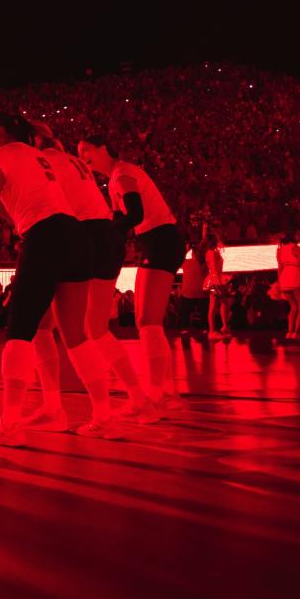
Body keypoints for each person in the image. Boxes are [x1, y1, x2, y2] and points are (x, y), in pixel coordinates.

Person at [0, 112, 106, 449]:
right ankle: (105, 415)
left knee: (20, 329)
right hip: (76, 234)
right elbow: (15, 205)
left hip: (46, 234)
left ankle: (10, 422)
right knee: (76, 334)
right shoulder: (37, 155)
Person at [26, 121, 147, 437]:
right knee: (94, 328)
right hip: (106, 234)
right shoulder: (74, 161)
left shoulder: (41, 161)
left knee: (47, 326)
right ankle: (137, 397)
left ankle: (59, 408)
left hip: (80, 234)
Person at [79, 137, 188, 419]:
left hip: (160, 240)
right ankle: (167, 391)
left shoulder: (123, 173)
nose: (83, 157)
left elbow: (135, 212)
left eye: (86, 150)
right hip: (157, 241)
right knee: (148, 322)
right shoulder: (118, 176)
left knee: (147, 321)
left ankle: (155, 394)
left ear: (104, 148)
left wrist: (111, 235)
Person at [276, 233, 300, 342]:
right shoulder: (299, 249)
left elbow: (279, 268)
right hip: (296, 277)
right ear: (294, 237)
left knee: (293, 306)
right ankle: (297, 332)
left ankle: (289, 332)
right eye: (298, 235)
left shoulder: (280, 250)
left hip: (285, 278)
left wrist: (280, 282)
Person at [202, 234, 233, 341]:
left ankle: (223, 327)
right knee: (214, 305)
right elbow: (214, 269)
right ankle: (213, 330)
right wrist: (219, 282)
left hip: (216, 279)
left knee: (220, 303)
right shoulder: (211, 253)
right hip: (215, 280)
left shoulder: (213, 252)